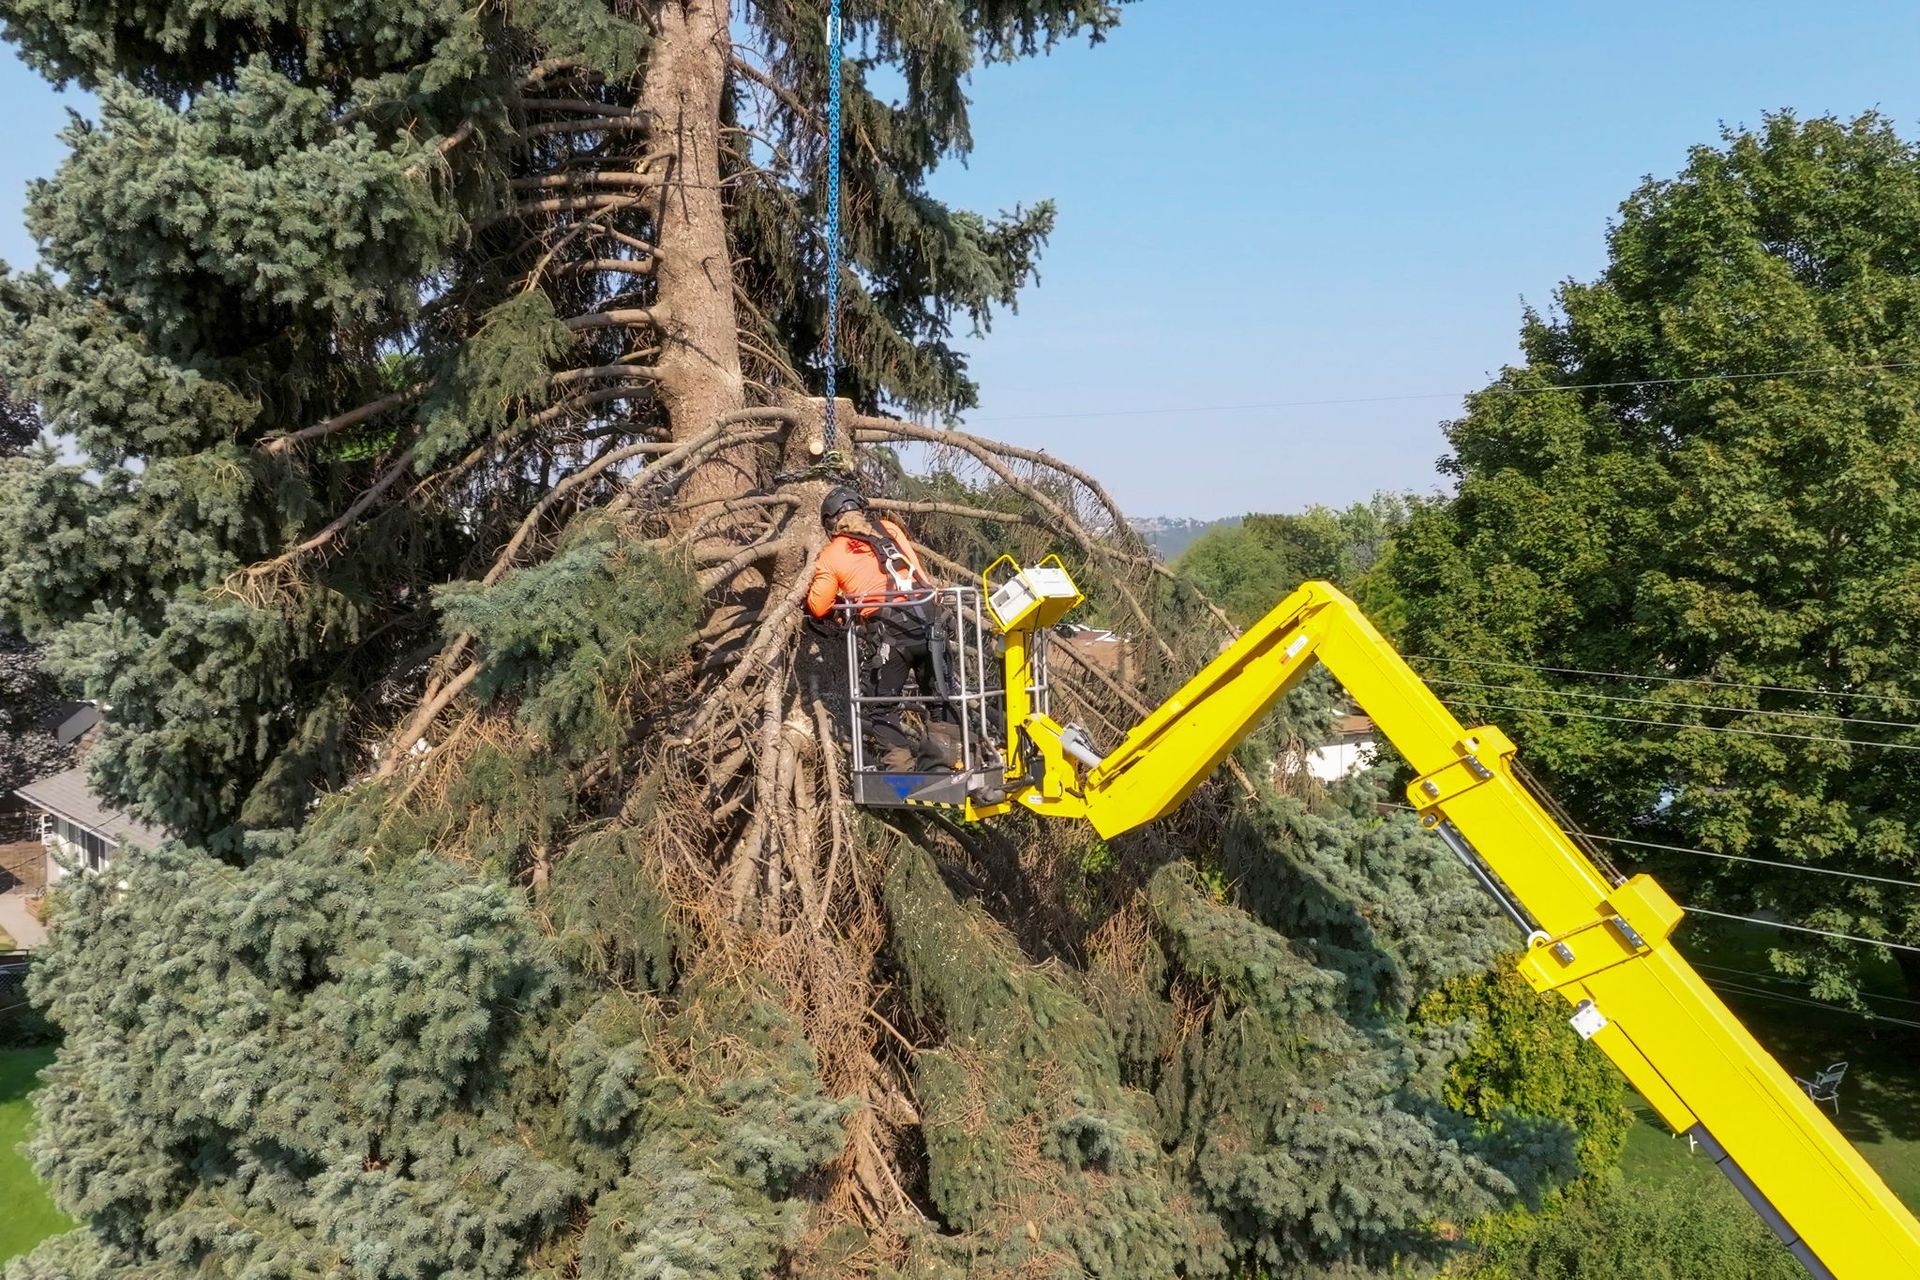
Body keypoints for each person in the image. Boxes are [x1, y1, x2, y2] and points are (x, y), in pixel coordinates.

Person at [806, 487, 959, 771]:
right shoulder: (889, 528)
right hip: (930, 622)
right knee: (941, 695)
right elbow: (917, 569)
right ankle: (943, 767)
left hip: (891, 634)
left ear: (831, 522)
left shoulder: (832, 554)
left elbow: (818, 606)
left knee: (881, 704)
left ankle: (899, 768)